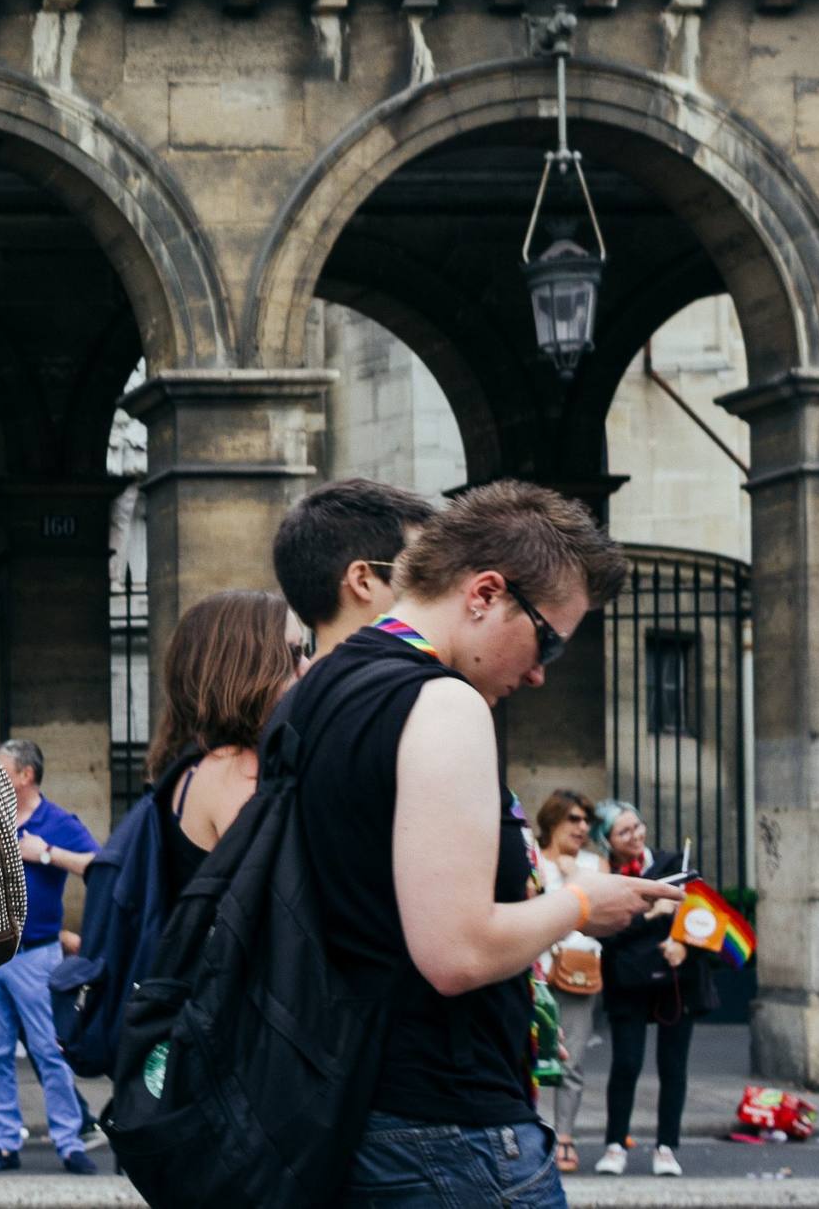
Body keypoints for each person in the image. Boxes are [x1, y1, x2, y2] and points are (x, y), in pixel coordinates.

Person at [277, 480, 681, 1208]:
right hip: (447, 1124)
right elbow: (456, 953)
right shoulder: (444, 702)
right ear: (485, 593)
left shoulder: (318, 688)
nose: (539, 671)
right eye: (547, 639)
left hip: (348, 1100)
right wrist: (584, 903)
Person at [0, 737, 101, 1175]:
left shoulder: (57, 821)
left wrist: (46, 853)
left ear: (25, 775)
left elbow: (99, 866)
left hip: (35, 957)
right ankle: (5, 1145)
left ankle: (69, 1143)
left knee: (49, 1050)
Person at [147, 591, 308, 906]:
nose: (308, 666)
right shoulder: (231, 771)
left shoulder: (198, 761)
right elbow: (288, 901)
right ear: (243, 667)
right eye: (293, 653)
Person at [591, 801, 713, 1180]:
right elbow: (608, 934)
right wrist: (652, 915)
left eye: (637, 826)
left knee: (673, 1067)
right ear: (607, 841)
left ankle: (666, 1147)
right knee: (626, 1063)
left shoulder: (674, 864)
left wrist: (684, 945)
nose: (635, 836)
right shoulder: (606, 877)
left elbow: (702, 918)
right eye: (623, 832)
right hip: (627, 981)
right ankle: (615, 1144)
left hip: (675, 980)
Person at [271, 477, 439, 656]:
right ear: (362, 581)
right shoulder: (421, 682)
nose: (439, 587)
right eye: (421, 572)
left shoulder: (307, 682)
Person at [532, 789, 604, 1173]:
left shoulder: (595, 864)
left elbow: (605, 919)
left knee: (571, 1060)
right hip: (535, 968)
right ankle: (530, 1133)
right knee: (528, 1054)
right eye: (573, 819)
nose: (582, 827)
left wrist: (578, 878)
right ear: (552, 820)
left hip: (579, 972)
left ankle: (564, 1137)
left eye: (585, 820)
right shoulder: (533, 860)